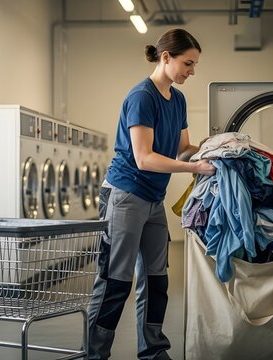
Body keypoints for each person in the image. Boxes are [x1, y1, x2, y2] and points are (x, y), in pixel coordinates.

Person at [87, 28, 216, 360]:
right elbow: (144, 158)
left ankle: (154, 351)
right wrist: (193, 169)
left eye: (195, 65)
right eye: (188, 63)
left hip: (153, 200)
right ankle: (95, 354)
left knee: (157, 279)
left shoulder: (179, 98)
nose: (192, 71)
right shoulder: (142, 96)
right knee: (115, 281)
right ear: (166, 57)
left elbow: (182, 148)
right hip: (125, 195)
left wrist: (211, 151)